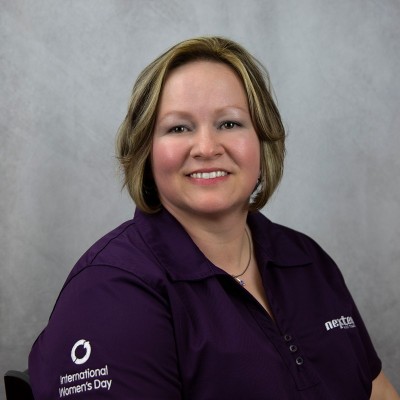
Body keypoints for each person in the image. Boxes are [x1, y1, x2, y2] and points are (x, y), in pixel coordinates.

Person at [29, 36, 399, 399]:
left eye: (229, 124)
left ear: (262, 140)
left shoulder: (306, 260)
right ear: (145, 151)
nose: (207, 148)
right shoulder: (112, 291)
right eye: (178, 128)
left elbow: (378, 392)